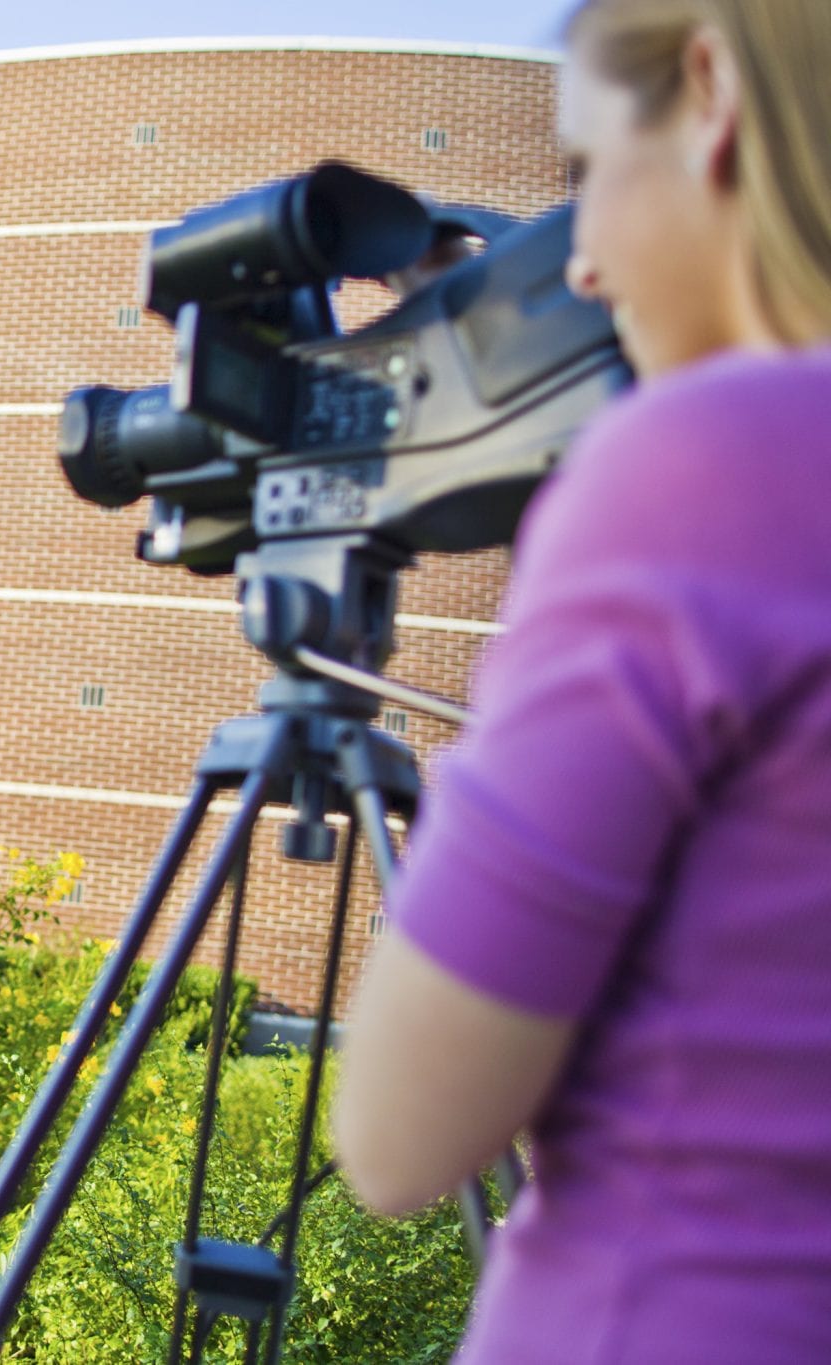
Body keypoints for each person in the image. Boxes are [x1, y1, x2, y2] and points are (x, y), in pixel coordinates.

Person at [334, 2, 831, 1360]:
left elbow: (395, 1139)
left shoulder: (707, 462)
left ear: (715, 89)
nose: (587, 269)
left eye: (580, 179)